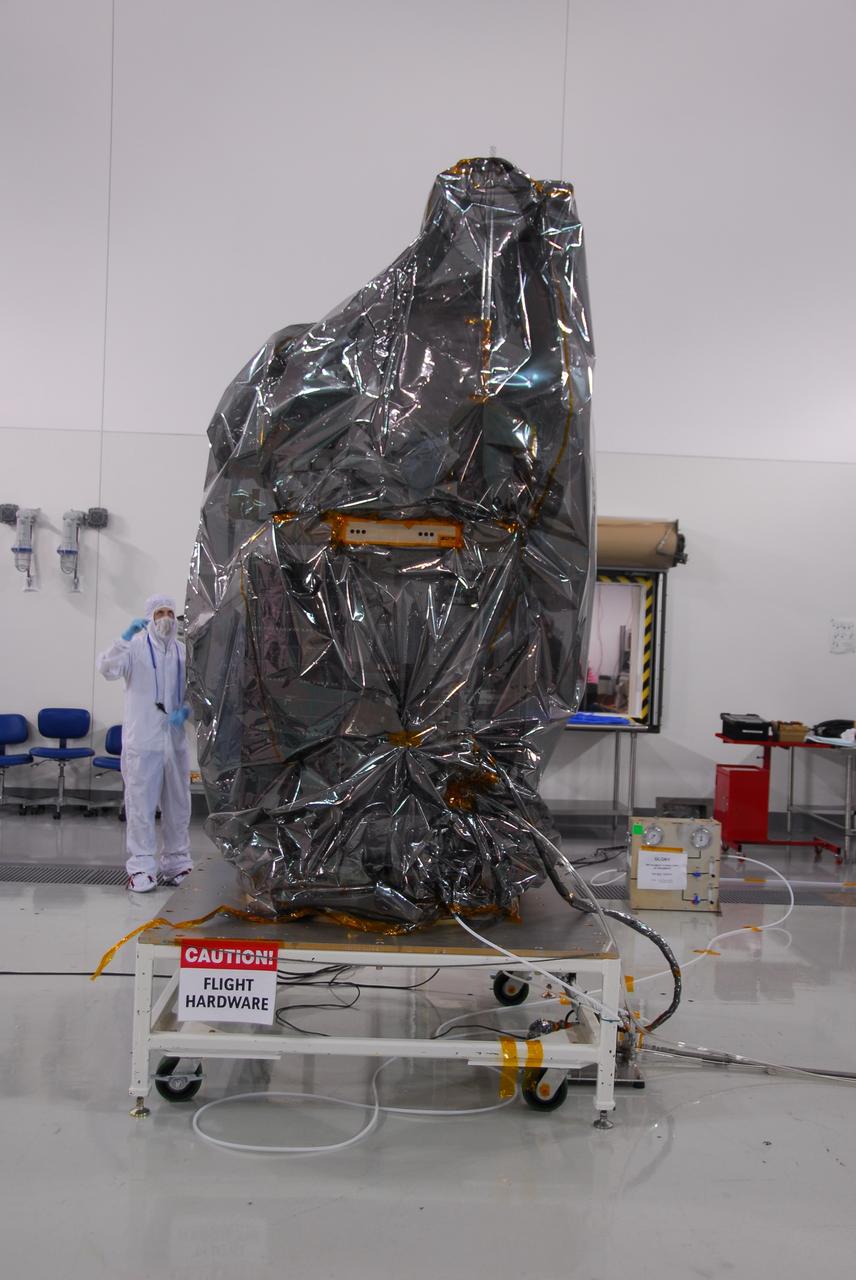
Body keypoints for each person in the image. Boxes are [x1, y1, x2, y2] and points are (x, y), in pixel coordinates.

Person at [97, 594, 193, 892]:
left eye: (170, 613)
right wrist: (123, 639)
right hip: (143, 742)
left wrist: (187, 710)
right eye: (159, 613)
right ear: (149, 618)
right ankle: (141, 866)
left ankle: (176, 862)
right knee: (141, 805)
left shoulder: (181, 652)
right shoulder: (134, 648)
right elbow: (107, 669)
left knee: (179, 804)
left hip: (175, 744)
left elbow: (195, 689)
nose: (165, 618)